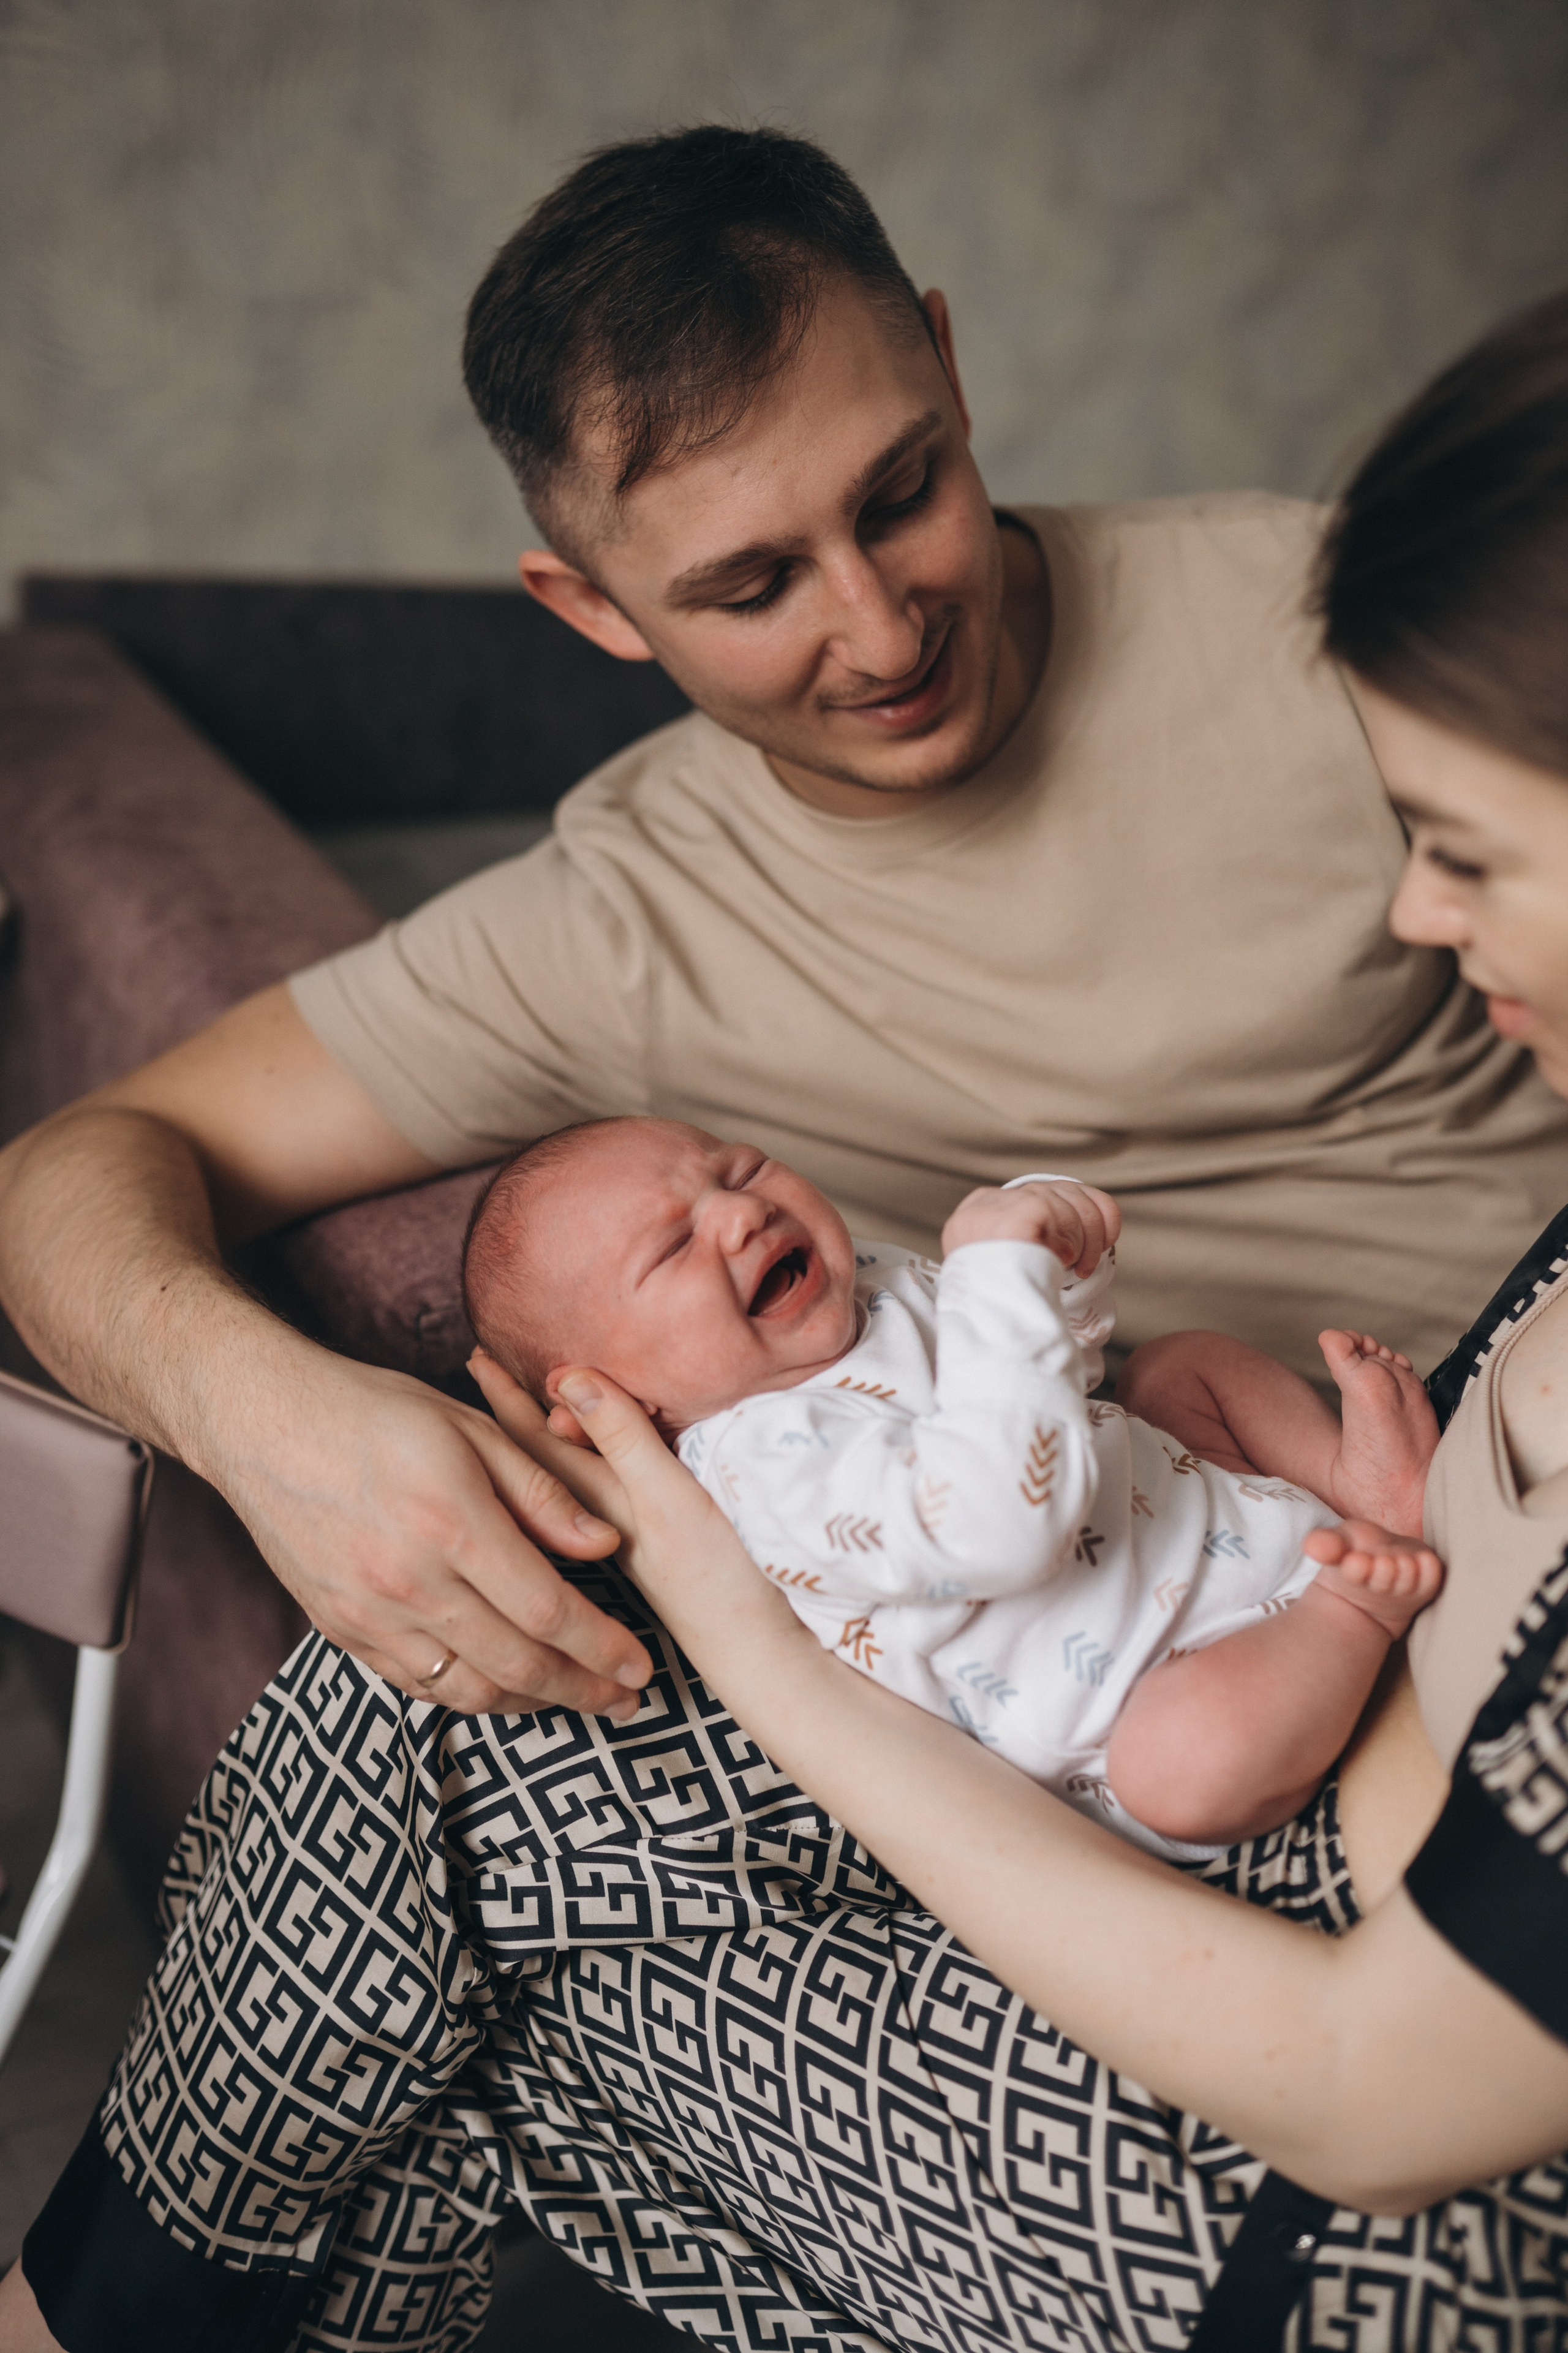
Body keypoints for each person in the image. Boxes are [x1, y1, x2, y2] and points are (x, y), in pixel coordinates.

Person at [1, 135, 1566, 2348]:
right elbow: (77, 1166)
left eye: (902, 488)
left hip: (1420, 1618)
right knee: (439, 1745)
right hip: (1036, 1662)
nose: (880, 616)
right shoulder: (622, 920)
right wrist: (277, 1418)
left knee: (459, 1903)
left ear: (943, 351)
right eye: (749, 586)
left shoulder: (1346, 645)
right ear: (593, 614)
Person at [462, 1118, 1442, 1853]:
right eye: (673, 1245)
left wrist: (1060, 1256)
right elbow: (1001, 1522)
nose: (740, 1209)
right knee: (1180, 1771)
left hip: (1209, 1516)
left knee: (1177, 1368)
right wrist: (995, 1268)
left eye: (739, 1167)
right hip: (1173, 1682)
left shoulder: (873, 1288)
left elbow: (1054, 1374)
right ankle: (1355, 1610)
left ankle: (1354, 1488)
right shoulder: (762, 1468)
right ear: (608, 1400)